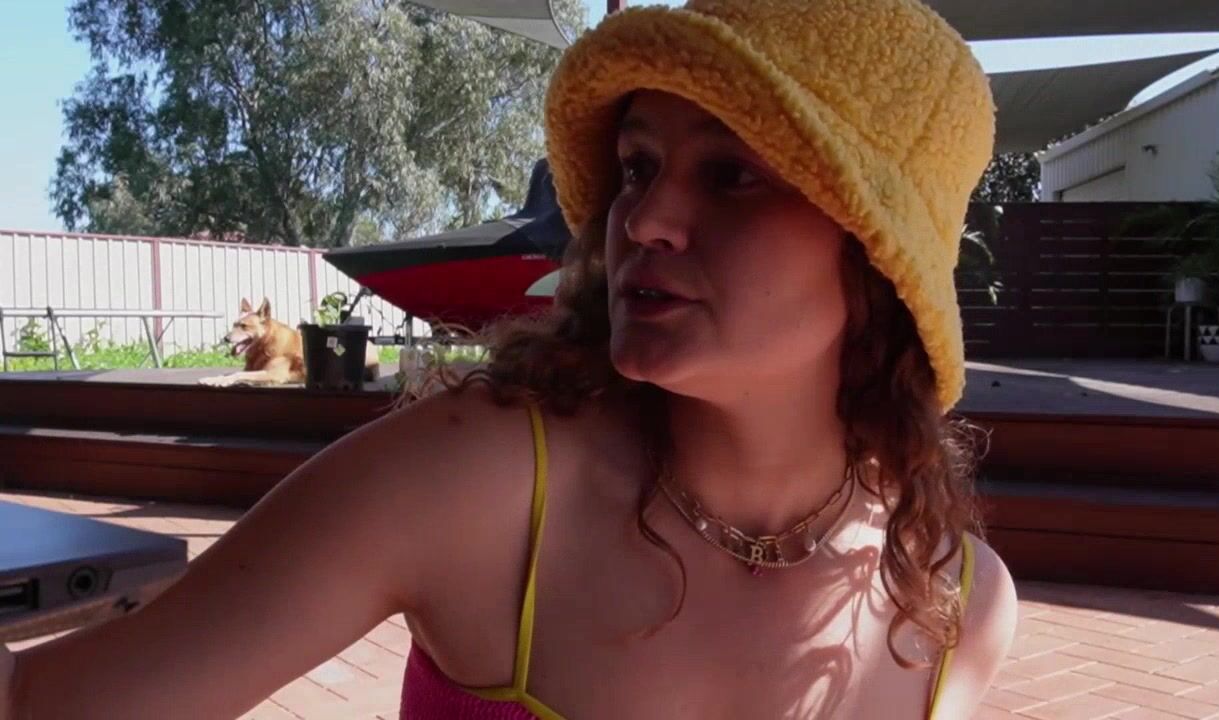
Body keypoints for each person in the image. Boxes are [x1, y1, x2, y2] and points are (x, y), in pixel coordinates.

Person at [2, 0, 1017, 717]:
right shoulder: (480, 482)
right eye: (638, 166)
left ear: (874, 261)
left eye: (732, 175)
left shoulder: (957, 609)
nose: (644, 220)